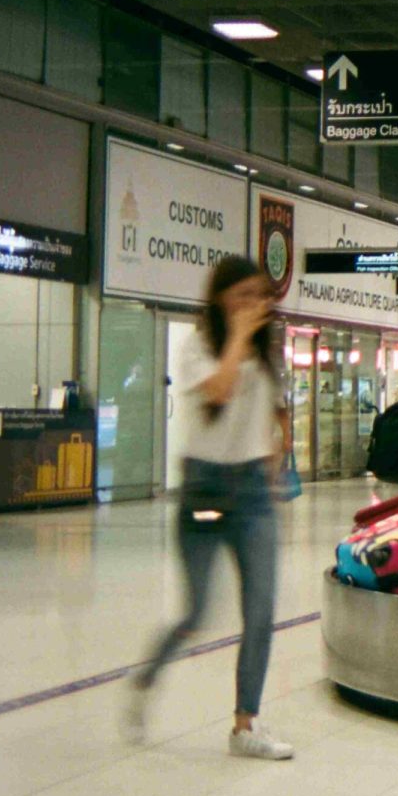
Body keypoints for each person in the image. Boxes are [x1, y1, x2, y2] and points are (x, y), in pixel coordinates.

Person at [127, 256, 293, 761]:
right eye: (242, 297)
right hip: (204, 493)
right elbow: (221, 389)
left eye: (259, 297)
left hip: (252, 497)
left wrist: (273, 465)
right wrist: (240, 334)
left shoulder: (268, 353)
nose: (254, 306)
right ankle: (148, 678)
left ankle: (246, 725)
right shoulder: (196, 346)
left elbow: (272, 413)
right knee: (197, 611)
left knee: (261, 611)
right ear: (220, 299)